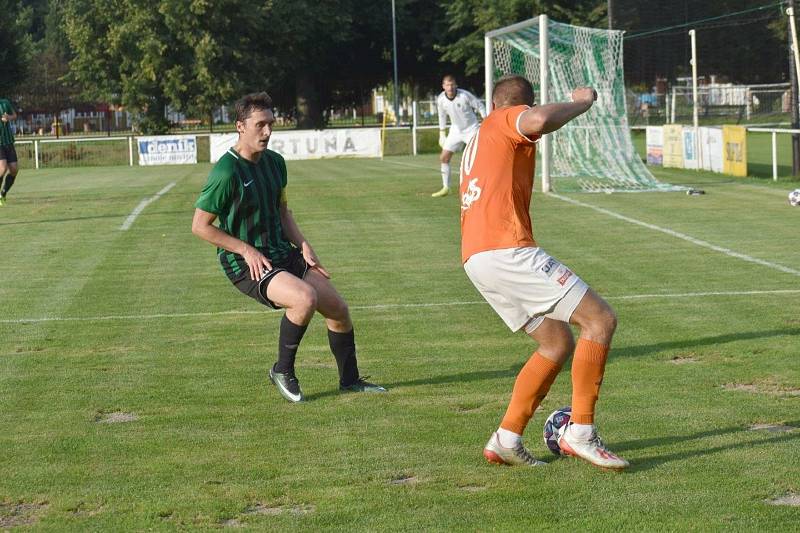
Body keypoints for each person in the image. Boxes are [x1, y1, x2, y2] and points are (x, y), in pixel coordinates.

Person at [459, 76, 629, 471]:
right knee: (600, 320)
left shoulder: (481, 135)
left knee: (555, 344)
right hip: (506, 248)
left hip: (476, 257)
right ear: (517, 104)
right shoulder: (506, 118)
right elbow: (535, 121)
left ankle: (507, 437)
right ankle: (581, 432)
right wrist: (582, 103)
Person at [192, 92, 386, 403]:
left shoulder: (276, 164)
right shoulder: (226, 172)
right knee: (303, 299)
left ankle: (350, 381)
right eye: (260, 125)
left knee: (338, 310)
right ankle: (282, 370)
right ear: (240, 126)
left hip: (282, 252)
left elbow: (283, 212)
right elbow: (200, 226)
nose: (267, 132)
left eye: (271, 124)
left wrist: (304, 245)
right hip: (246, 263)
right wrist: (246, 250)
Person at [432, 75, 485, 198]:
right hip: (455, 130)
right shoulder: (441, 99)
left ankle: (480, 186)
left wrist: (486, 121)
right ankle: (446, 187)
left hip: (471, 129)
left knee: (477, 158)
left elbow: (480, 106)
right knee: (444, 157)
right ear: (443, 86)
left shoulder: (465, 95)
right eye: (447, 85)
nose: (450, 87)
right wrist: (442, 133)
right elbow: (442, 116)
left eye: (452, 84)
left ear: (456, 85)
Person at [0, 97, 19, 206]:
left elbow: (15, 115)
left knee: (14, 170)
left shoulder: (5, 102)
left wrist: (9, 117)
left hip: (8, 142)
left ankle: (3, 193)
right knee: (2, 169)